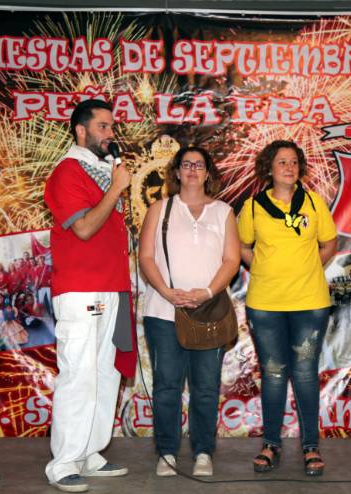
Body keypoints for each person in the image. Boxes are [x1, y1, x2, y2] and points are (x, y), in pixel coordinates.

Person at [43, 99, 135, 492]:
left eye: (112, 126)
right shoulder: (68, 171)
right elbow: (82, 228)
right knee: (79, 375)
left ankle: (89, 452)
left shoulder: (102, 170)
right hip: (81, 289)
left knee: (105, 374)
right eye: (102, 126)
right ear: (81, 131)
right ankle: (64, 461)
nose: (111, 133)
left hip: (111, 286)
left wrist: (114, 186)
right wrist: (116, 189)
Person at [139, 146, 240, 477]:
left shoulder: (223, 212)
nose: (193, 170)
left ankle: (203, 452)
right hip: (163, 311)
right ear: (177, 172)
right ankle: (167, 452)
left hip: (209, 312)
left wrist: (207, 292)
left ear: (207, 172)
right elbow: (146, 257)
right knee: (167, 385)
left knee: (206, 387)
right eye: (186, 165)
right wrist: (166, 291)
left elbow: (231, 260)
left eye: (199, 165)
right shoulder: (160, 209)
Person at [238, 140, 337, 476]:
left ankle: (311, 446)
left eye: (294, 161)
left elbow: (330, 243)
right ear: (269, 168)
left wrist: (307, 269)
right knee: (274, 374)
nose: (289, 167)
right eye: (282, 162)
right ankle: (271, 444)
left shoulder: (313, 202)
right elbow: (242, 245)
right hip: (266, 304)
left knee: (306, 374)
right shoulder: (253, 207)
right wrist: (262, 268)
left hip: (309, 303)